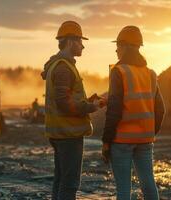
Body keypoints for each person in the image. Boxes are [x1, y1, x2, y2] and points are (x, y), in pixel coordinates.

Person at [102, 25, 166, 200]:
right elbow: (161, 109)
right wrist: (150, 133)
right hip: (145, 140)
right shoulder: (150, 74)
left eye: (117, 45)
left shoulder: (119, 71)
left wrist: (106, 141)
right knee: (148, 184)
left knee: (123, 189)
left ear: (123, 46)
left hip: (121, 140)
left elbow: (114, 110)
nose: (116, 50)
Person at [41, 21, 100, 200]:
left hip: (61, 133)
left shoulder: (60, 66)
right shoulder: (63, 68)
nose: (83, 45)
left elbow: (67, 99)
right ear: (70, 42)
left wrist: (88, 101)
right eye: (80, 41)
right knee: (69, 184)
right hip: (68, 134)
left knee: (61, 181)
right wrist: (92, 107)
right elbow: (64, 104)